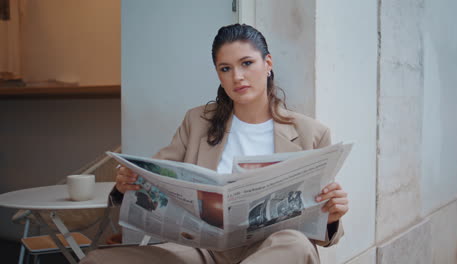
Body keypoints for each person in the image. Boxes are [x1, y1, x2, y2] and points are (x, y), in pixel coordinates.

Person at [81, 23, 348, 264]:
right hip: (202, 251)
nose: (238, 77)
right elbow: (157, 178)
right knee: (97, 260)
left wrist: (332, 216)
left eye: (246, 63)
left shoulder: (310, 133)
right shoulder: (196, 122)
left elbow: (323, 234)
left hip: (271, 251)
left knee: (295, 244)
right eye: (226, 68)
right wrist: (127, 185)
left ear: (268, 63)